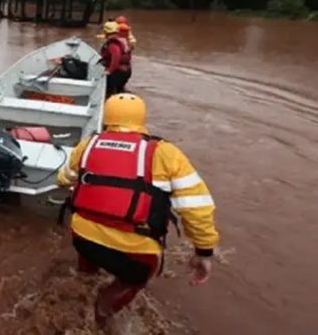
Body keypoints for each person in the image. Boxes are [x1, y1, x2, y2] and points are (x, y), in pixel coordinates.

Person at [57, 93, 219, 328]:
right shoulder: (165, 153)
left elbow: (64, 179)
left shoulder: (87, 146)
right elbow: (197, 208)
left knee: (88, 248)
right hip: (135, 252)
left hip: (83, 238)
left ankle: (84, 280)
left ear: (107, 118)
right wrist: (203, 251)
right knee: (132, 280)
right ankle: (101, 313)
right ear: (142, 118)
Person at [98, 21, 132, 96]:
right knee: (119, 92)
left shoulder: (112, 44)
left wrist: (109, 71)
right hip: (126, 71)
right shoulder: (122, 40)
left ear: (106, 32)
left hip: (118, 72)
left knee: (108, 94)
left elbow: (116, 58)